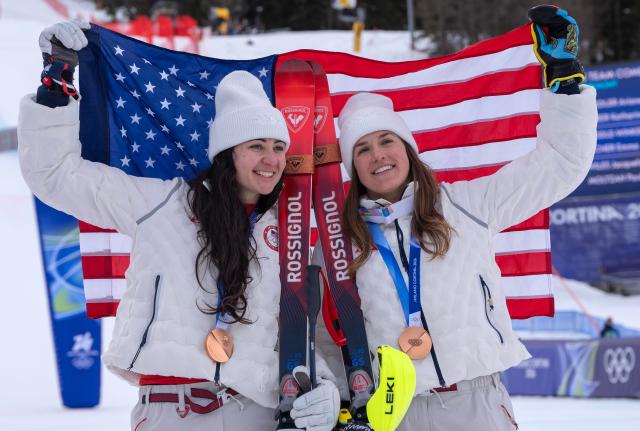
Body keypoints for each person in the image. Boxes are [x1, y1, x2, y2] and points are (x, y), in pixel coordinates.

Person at [19, 20, 339, 431]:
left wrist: (327, 385)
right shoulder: (163, 203)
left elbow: (311, 333)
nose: (271, 159)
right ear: (226, 153)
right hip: (173, 412)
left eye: (278, 147)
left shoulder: (289, 233)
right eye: (256, 146)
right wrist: (56, 80)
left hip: (255, 414)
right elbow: (55, 174)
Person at [314, 5, 596, 431]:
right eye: (363, 149)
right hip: (391, 415)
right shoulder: (338, 243)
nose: (378, 156)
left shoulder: (468, 205)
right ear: (353, 168)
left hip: (476, 402)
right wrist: (337, 400)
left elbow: (560, 163)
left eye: (386, 140)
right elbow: (322, 339)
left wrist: (566, 83)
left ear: (407, 149)